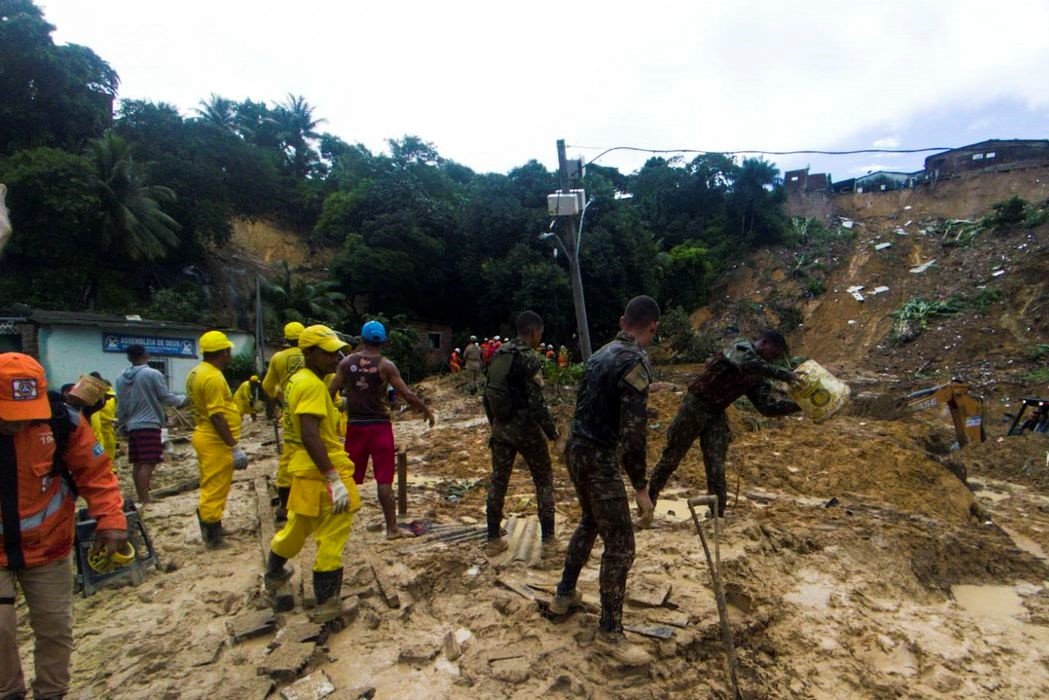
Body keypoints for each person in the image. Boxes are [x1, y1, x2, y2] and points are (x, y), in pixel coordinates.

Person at [0, 353, 128, 700]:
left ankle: (51, 693)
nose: (16, 424)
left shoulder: (62, 423)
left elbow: (97, 474)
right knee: (2, 629)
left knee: (55, 628)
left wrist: (111, 520)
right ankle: (9, 692)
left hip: (49, 546)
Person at [551, 296, 660, 666]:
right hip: (599, 458)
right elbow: (634, 433)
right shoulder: (636, 362)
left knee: (590, 521)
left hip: (576, 450)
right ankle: (610, 633)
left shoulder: (599, 354)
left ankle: (564, 594)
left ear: (621, 319)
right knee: (622, 545)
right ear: (652, 327)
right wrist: (642, 488)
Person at [263, 326, 360, 622]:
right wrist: (333, 479)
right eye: (328, 352)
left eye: (337, 351)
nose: (336, 357)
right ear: (307, 353)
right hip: (322, 468)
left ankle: (275, 571)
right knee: (333, 531)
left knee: (298, 525)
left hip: (303, 469)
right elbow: (310, 434)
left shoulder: (296, 380)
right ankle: (328, 602)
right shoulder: (313, 386)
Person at [648, 331, 800, 518]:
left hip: (716, 413)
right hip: (695, 406)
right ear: (764, 343)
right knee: (671, 458)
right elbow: (745, 363)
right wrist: (785, 375)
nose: (773, 360)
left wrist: (799, 406)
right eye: (774, 354)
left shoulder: (758, 374)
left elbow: (766, 408)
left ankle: (717, 514)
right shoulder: (741, 347)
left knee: (716, 466)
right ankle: (647, 502)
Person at [330, 320, 435, 539]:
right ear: (384, 342)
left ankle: (332, 525)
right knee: (384, 480)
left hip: (355, 426)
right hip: (379, 427)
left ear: (360, 339)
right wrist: (425, 410)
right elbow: (407, 394)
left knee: (346, 477)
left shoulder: (346, 363)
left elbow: (329, 392)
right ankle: (391, 529)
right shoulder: (386, 365)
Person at [483, 311, 559, 559]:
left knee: (499, 481)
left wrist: (494, 423)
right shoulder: (529, 358)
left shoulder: (499, 354)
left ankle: (493, 538)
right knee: (543, 480)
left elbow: (487, 394)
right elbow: (537, 405)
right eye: (540, 333)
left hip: (502, 428)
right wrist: (552, 434)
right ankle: (548, 541)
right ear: (534, 332)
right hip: (526, 430)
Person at [186, 330, 248, 549]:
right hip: (214, 439)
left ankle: (215, 523)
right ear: (223, 352)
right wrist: (234, 446)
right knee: (214, 486)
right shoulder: (211, 377)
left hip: (206, 434)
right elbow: (216, 415)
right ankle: (212, 535)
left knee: (214, 484)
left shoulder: (197, 372)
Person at [115, 344, 188, 504]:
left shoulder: (121, 378)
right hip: (148, 423)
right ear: (146, 355)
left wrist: (122, 425)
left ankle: (142, 495)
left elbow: (120, 404)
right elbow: (165, 397)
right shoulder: (152, 374)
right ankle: (145, 498)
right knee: (149, 461)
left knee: (138, 462)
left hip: (132, 424)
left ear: (129, 357)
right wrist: (184, 399)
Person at [262, 321, 306, 522]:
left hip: (290, 413)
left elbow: (268, 385)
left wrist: (281, 401)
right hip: (314, 409)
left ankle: (285, 506)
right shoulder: (313, 355)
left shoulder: (278, 358)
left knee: (288, 456)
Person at [90, 384, 118, 461]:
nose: (108, 398)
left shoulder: (111, 401)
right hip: (97, 436)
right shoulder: (91, 408)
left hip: (107, 431)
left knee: (109, 451)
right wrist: (111, 419)